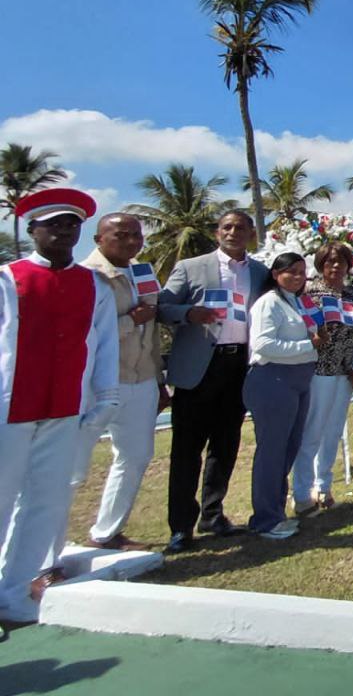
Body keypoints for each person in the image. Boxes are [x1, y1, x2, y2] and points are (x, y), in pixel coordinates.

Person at [0, 189, 117, 625]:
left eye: (71, 223)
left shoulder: (93, 284)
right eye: (54, 224)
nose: (64, 231)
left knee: (45, 502)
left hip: (65, 406)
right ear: (32, 229)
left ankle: (15, 592)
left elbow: (103, 344)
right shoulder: (8, 278)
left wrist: (105, 395)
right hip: (9, 406)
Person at [158, 209, 268, 553]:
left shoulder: (260, 272)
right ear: (217, 232)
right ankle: (181, 527)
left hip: (238, 366)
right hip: (198, 369)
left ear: (251, 233)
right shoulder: (191, 267)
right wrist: (188, 313)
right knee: (187, 450)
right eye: (227, 227)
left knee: (225, 446)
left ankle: (213, 514)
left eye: (240, 227)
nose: (233, 232)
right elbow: (162, 307)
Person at [63, 214, 163, 554]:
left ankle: (107, 532)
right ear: (98, 239)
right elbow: (81, 333)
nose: (132, 241)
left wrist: (159, 378)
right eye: (122, 235)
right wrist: (128, 321)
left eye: (137, 235)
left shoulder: (142, 273)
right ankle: (48, 544)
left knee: (135, 456)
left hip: (142, 378)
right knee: (72, 465)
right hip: (99, 382)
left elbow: (152, 330)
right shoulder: (87, 277)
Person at [243, 252, 326, 539]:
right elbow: (264, 345)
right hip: (273, 379)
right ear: (276, 274)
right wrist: (309, 346)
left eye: (302, 272)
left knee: (288, 449)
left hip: (298, 380)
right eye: (290, 271)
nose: (297, 277)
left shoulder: (298, 302)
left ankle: (276, 511)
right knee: (272, 451)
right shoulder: (268, 302)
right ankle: (265, 519)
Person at [291, 242, 353, 515]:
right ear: (320, 264)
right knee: (313, 431)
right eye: (330, 261)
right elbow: (303, 328)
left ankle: (324, 484)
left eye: (340, 261)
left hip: (346, 372)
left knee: (333, 431)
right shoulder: (309, 291)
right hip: (319, 370)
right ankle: (302, 489)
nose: (335, 266)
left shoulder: (352, 292)